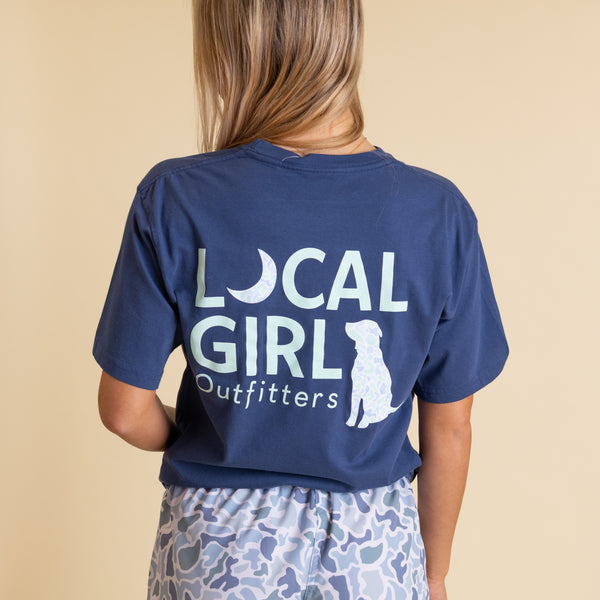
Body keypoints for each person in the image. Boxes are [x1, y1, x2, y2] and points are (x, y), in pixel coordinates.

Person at [93, 1, 509, 599]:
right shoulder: (437, 212)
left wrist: (201, 438)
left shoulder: (174, 196)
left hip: (219, 540)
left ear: (227, 53)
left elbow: (124, 410)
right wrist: (434, 573)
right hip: (374, 544)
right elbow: (450, 427)